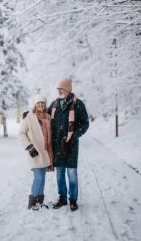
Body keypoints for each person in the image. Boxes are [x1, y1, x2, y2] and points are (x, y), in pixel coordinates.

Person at [48, 78, 89, 211]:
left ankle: (73, 200)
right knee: (59, 173)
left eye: (62, 89)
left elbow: (85, 124)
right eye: (58, 89)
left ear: (68, 89)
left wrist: (74, 136)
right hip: (57, 145)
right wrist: (30, 114)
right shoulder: (54, 105)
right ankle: (62, 198)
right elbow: (44, 116)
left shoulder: (78, 104)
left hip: (71, 146)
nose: (59, 91)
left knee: (71, 173)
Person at [19, 94, 54, 210]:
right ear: (34, 105)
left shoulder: (48, 117)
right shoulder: (28, 117)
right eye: (38, 103)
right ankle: (32, 203)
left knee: (42, 177)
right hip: (34, 152)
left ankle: (40, 201)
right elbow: (22, 133)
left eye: (42, 103)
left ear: (45, 104)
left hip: (45, 152)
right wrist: (29, 147)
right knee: (38, 176)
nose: (40, 105)